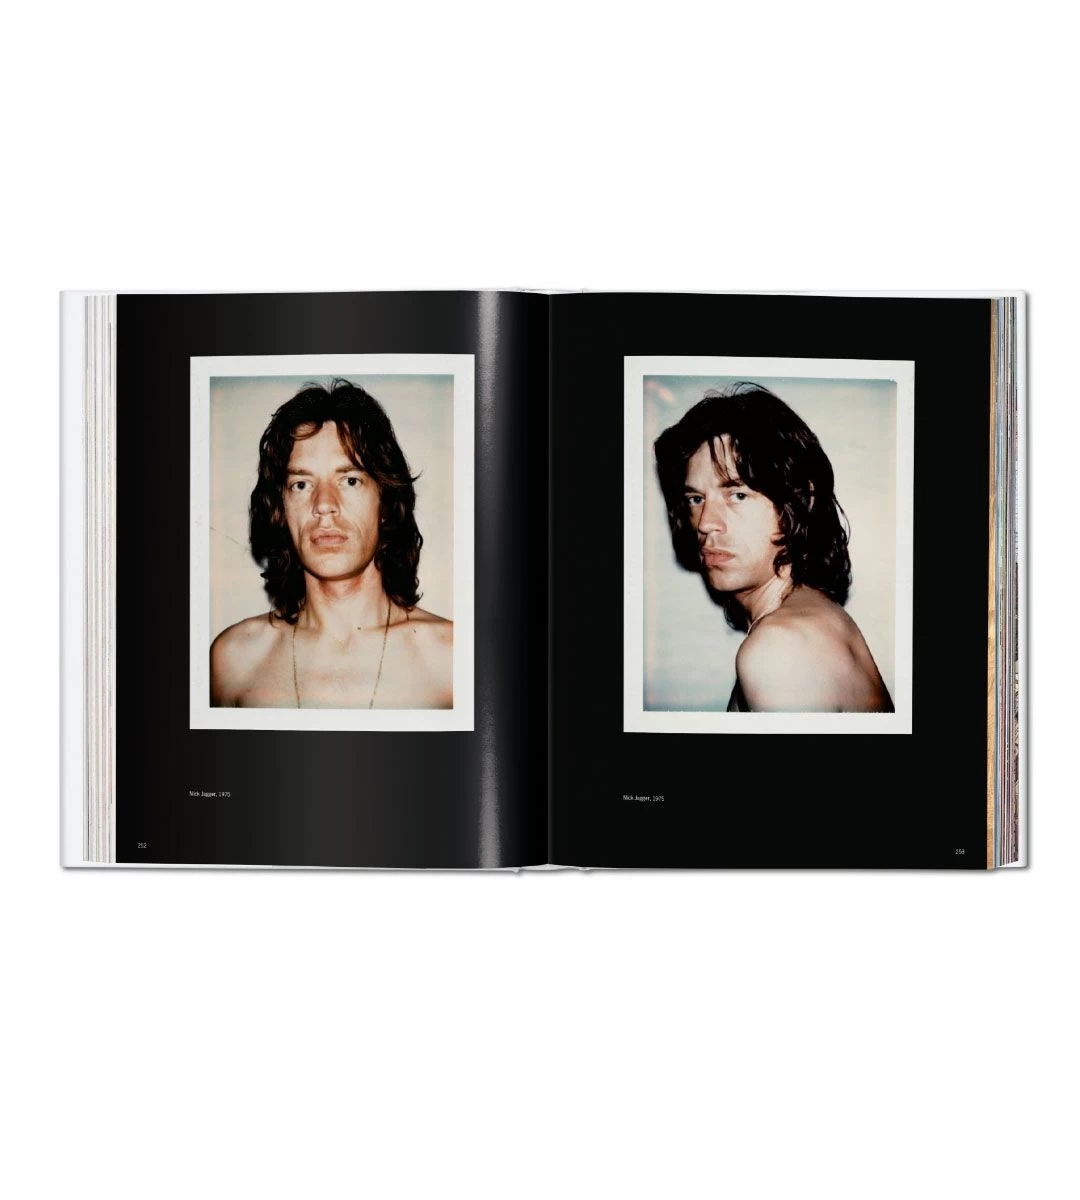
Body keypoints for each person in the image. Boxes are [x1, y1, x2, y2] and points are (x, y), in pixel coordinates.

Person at [210, 379, 452, 709]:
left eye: (350, 480)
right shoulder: (233, 662)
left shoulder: (452, 660)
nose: (324, 504)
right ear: (280, 510)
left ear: (385, 502)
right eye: (301, 484)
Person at [654, 383, 892, 713]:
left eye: (738, 495)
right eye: (695, 499)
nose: (705, 523)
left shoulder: (778, 648)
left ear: (801, 500)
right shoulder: (815, 618)